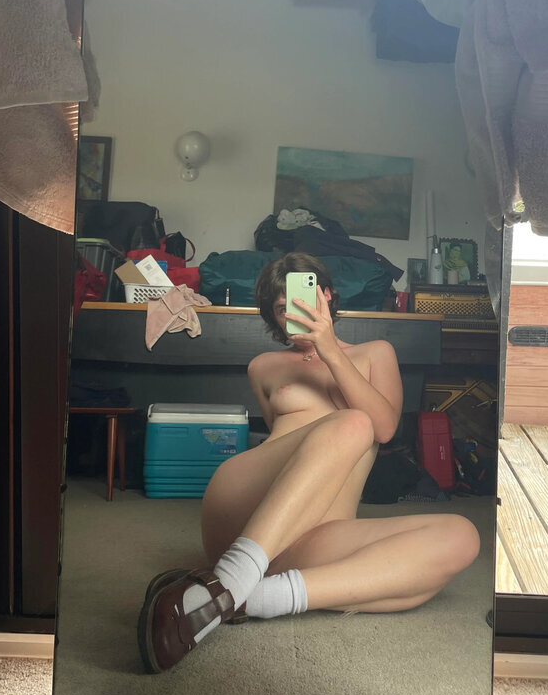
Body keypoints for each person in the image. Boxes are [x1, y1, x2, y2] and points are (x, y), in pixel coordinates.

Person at [137, 253, 480, 673]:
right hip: (249, 506)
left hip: (316, 534)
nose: (293, 315)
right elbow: (284, 448)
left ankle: (246, 598)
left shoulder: (376, 353)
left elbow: (386, 428)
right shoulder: (263, 366)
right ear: (273, 316)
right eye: (283, 308)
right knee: (353, 423)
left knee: (461, 537)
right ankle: (235, 573)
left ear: (327, 297)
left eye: (303, 302)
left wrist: (330, 350)